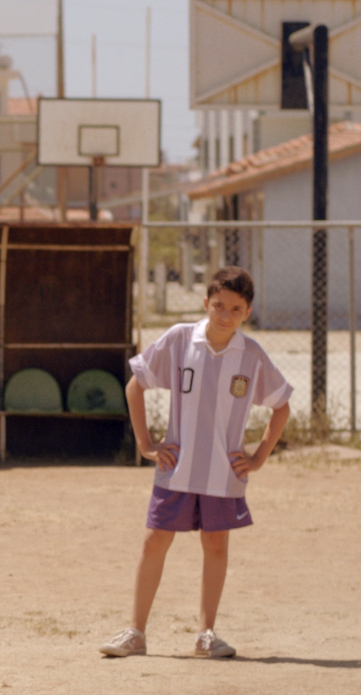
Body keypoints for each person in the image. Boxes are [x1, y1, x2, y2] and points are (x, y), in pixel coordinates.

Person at [100, 266, 291, 660]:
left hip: (224, 474)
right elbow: (135, 384)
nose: (225, 315)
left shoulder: (251, 356)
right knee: (155, 540)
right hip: (176, 466)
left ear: (247, 312)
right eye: (218, 305)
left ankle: (206, 634)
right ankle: (135, 632)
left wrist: (258, 456)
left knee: (216, 544)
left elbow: (281, 406)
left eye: (235, 309)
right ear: (206, 303)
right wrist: (145, 443)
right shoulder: (180, 339)